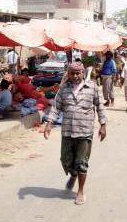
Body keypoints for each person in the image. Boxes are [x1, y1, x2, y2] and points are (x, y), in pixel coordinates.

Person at [44, 61, 107, 205]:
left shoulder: (92, 87)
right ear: (68, 74)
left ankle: (80, 191)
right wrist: (49, 123)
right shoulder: (63, 89)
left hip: (84, 132)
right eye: (72, 73)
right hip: (67, 131)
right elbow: (56, 107)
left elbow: (100, 106)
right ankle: (73, 174)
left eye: (78, 73)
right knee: (65, 160)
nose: (75, 76)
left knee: (82, 163)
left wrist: (103, 124)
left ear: (83, 73)